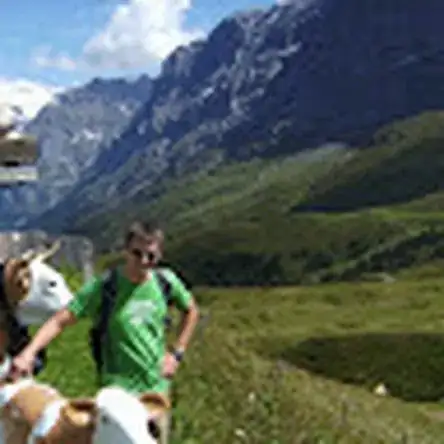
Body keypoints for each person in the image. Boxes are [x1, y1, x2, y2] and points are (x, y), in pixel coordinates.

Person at [10, 220, 200, 398]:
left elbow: (191, 311)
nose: (143, 261)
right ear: (126, 251)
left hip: (156, 390)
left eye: (151, 256)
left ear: (160, 255)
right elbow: (60, 320)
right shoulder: (106, 286)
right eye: (137, 253)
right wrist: (29, 353)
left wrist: (177, 353)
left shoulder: (165, 282)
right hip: (117, 392)